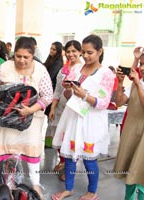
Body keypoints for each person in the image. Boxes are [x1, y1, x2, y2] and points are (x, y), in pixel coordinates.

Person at [0, 36, 53, 195]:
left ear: (32, 55)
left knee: (32, 152)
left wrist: (30, 110)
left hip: (30, 122)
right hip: (5, 121)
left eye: (26, 57)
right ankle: (8, 186)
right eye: (18, 56)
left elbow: (47, 96)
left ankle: (36, 186)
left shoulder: (40, 70)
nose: (21, 60)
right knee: (6, 154)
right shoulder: (5, 67)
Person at [52, 34, 114, 200]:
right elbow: (67, 95)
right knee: (70, 154)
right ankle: (69, 188)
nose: (85, 56)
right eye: (84, 52)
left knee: (89, 158)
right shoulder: (76, 69)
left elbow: (104, 102)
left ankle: (92, 192)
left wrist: (84, 96)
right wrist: (68, 87)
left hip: (91, 120)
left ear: (100, 51)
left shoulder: (106, 73)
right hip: (73, 115)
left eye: (90, 52)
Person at [46, 40, 83, 173]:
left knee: (71, 137)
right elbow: (57, 90)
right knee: (58, 135)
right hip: (60, 107)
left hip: (74, 109)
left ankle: (69, 168)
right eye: (68, 51)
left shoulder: (83, 69)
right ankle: (62, 162)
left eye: (74, 51)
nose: (71, 54)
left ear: (80, 52)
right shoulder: (63, 69)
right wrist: (52, 108)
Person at [113, 61, 144, 199]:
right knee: (129, 173)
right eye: (141, 64)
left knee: (141, 172)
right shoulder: (137, 82)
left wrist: (138, 84)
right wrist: (120, 84)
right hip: (132, 131)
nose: (141, 68)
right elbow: (119, 102)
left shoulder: (138, 83)